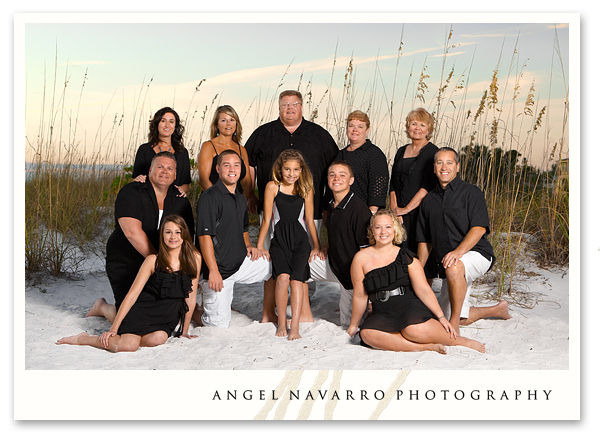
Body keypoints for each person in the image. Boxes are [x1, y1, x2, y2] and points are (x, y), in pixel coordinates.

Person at [246, 90, 339, 324]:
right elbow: (248, 164)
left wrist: (329, 202)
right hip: (272, 211)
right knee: (271, 265)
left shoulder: (319, 135)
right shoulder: (263, 133)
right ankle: (269, 312)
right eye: (285, 104)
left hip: (310, 212)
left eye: (294, 104)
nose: (289, 108)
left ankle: (302, 312)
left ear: (301, 107)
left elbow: (334, 167)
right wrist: (249, 194)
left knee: (301, 264)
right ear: (278, 107)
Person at [346, 210, 486, 354]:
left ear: (395, 230)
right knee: (367, 334)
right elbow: (360, 295)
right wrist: (353, 324)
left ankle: (463, 342)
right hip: (382, 310)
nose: (383, 232)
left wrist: (441, 317)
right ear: (372, 231)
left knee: (413, 330)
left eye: (388, 226)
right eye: (378, 227)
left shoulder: (406, 256)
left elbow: (424, 289)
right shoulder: (360, 258)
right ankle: (426, 347)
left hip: (409, 305)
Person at [56, 215, 202, 352]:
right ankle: (85, 339)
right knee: (129, 345)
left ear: (185, 234)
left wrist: (184, 331)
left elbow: (190, 297)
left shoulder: (194, 258)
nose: (173, 237)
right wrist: (113, 329)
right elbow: (133, 295)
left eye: (178, 232)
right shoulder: (153, 260)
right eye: (168, 232)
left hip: (166, 317)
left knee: (157, 339)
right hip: (143, 309)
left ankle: (102, 307)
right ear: (162, 235)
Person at [416, 147, 511, 334]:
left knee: (454, 268)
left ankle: (455, 326)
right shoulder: (428, 201)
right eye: (440, 162)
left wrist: (459, 252)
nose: (444, 167)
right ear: (434, 168)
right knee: (447, 313)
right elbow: (424, 240)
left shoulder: (471, 192)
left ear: (457, 167)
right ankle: (496, 310)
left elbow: (479, 227)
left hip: (477, 254)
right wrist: (418, 268)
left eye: (449, 162)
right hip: (450, 264)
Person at [105, 151, 195, 310]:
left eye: (170, 169)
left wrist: (181, 271)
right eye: (160, 167)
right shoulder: (131, 192)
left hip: (164, 267)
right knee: (130, 321)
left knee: (168, 315)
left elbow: (187, 238)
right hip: (127, 263)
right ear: (150, 170)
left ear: (175, 176)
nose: (164, 171)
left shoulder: (180, 201)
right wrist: (161, 264)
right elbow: (132, 234)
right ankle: (102, 307)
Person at [195, 150, 271, 328]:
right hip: (219, 271)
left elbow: (243, 228)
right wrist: (213, 270)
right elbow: (204, 237)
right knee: (217, 325)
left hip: (240, 263)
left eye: (236, 165)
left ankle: (270, 313)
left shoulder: (240, 198)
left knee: (279, 264)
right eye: (226, 165)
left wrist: (248, 246)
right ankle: (195, 312)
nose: (232, 169)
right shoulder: (209, 198)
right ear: (218, 169)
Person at [256, 150, 322, 340]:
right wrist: (260, 245)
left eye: (295, 169)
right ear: (280, 169)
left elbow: (310, 220)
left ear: (301, 170)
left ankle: (295, 327)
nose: (291, 173)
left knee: (296, 281)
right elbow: (267, 219)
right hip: (280, 241)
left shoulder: (306, 188)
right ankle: (282, 322)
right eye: (287, 169)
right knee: (282, 279)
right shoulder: (272, 187)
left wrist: (316, 246)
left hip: (300, 242)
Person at [308, 160, 372, 327]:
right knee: (298, 266)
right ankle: (304, 315)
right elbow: (338, 233)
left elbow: (367, 251)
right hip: (333, 263)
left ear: (351, 180)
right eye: (332, 175)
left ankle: (371, 308)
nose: (336, 178)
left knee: (349, 324)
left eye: (342, 175)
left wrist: (361, 285)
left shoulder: (359, 209)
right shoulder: (331, 205)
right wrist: (325, 247)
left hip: (351, 277)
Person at [389, 108, 439, 277]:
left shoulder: (433, 152)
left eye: (422, 125)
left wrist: (407, 209)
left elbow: (427, 186)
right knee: (398, 252)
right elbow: (393, 184)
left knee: (421, 257)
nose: (417, 128)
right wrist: (395, 210)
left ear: (428, 129)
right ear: (408, 126)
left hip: (421, 211)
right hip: (400, 212)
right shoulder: (401, 150)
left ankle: (421, 291)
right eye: (414, 123)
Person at [197, 105, 258, 212]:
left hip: (237, 207)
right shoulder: (208, 146)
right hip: (213, 205)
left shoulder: (241, 150)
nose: (228, 124)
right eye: (223, 120)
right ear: (217, 125)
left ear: (236, 124)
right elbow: (203, 180)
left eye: (232, 120)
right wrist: (221, 203)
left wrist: (241, 203)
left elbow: (247, 183)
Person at [334, 110, 389, 213]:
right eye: (351, 126)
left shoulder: (374, 154)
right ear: (346, 129)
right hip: (340, 212)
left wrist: (371, 215)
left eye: (360, 126)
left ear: (367, 130)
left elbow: (378, 189)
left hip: (363, 213)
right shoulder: (340, 155)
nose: (355, 130)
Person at [132, 107, 191, 193]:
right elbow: (136, 180)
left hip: (173, 200)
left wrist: (180, 190)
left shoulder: (182, 152)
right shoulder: (144, 150)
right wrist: (138, 179)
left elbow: (186, 185)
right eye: (163, 121)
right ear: (156, 124)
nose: (167, 125)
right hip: (148, 199)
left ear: (175, 126)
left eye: (171, 121)